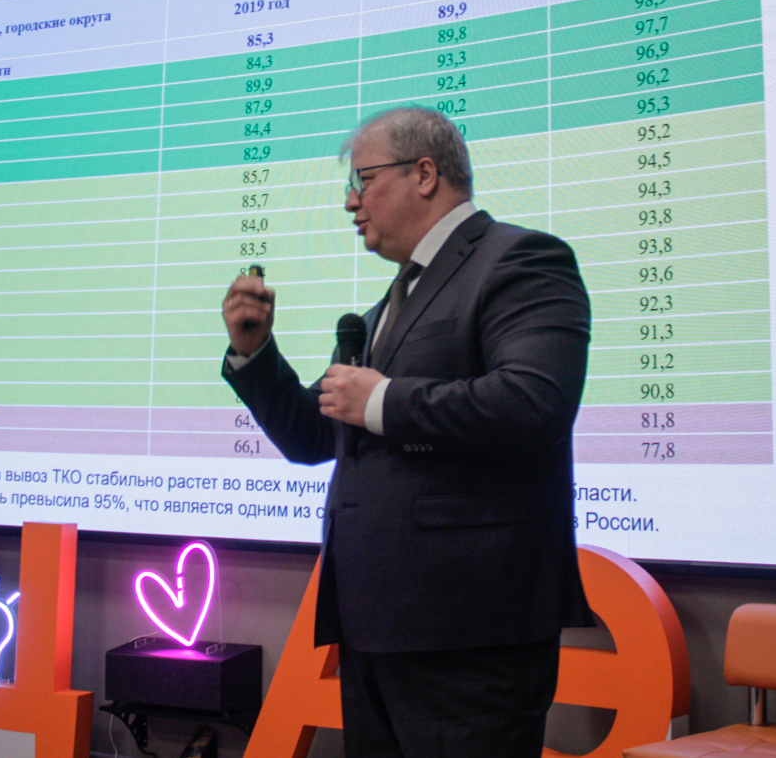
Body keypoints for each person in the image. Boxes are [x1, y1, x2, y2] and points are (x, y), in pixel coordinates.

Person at [220, 106, 592, 758]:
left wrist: (385, 402)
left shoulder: (523, 259)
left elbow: (536, 402)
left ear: (424, 174)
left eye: (362, 180)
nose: (349, 202)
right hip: (374, 625)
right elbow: (314, 438)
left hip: (469, 632)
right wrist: (255, 355)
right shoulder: (387, 307)